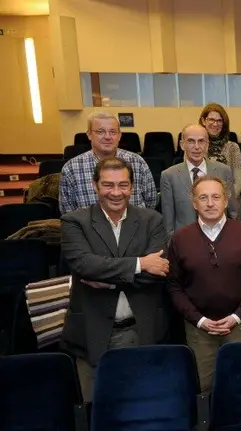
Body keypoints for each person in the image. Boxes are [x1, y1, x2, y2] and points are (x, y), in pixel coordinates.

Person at [60, 157, 169, 402]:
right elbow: (85, 265)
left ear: (132, 187)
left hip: (142, 330)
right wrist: (140, 264)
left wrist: (108, 281)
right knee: (97, 408)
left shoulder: (153, 220)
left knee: (143, 404)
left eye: (123, 185)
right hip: (93, 334)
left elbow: (158, 273)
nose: (116, 192)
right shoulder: (74, 222)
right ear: (95, 185)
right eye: (108, 185)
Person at [167, 176, 241, 392]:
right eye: (203, 198)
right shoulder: (180, 238)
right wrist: (199, 320)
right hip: (200, 331)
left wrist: (237, 316)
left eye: (216, 197)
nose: (210, 203)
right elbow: (174, 286)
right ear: (194, 203)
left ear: (226, 201)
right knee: (205, 391)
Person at [60, 111, 157, 214]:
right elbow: (68, 212)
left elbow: (151, 202)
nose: (107, 137)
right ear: (89, 134)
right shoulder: (71, 168)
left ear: (119, 135)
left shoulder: (137, 162)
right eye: (100, 132)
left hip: (134, 224)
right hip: (88, 225)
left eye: (113, 132)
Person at [160, 124, 238, 239]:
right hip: (185, 241)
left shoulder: (223, 171)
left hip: (221, 239)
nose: (197, 147)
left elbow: (233, 212)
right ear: (182, 145)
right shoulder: (169, 176)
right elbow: (168, 222)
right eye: (191, 141)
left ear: (207, 145)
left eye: (201, 141)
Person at [199, 103, 241, 200]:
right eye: (211, 119)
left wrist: (223, 202)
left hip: (229, 202)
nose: (215, 124)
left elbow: (239, 183)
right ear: (203, 121)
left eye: (219, 120)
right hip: (202, 201)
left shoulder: (233, 147)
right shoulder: (196, 147)